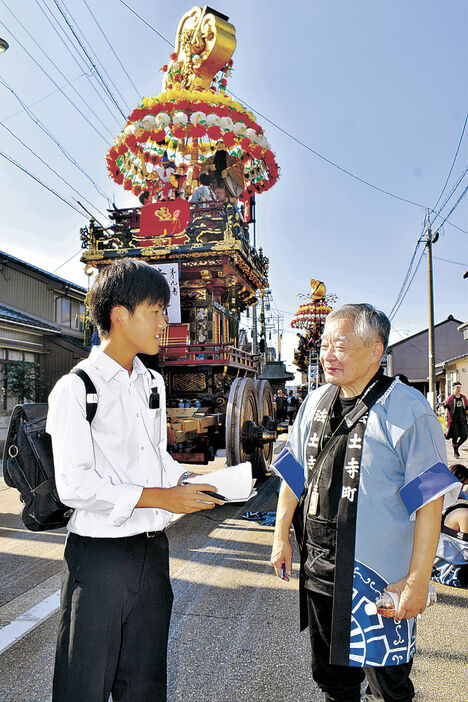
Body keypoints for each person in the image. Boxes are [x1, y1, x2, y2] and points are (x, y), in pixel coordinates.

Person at [47, 259, 223, 702]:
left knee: (144, 685)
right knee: (83, 685)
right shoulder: (75, 388)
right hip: (99, 557)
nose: (166, 322)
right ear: (119, 316)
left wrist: (186, 482)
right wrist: (163, 496)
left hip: (151, 551)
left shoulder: (152, 382)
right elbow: (74, 485)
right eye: (156, 311)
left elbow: (154, 456)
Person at [270, 303, 460, 702]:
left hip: (377, 579)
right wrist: (280, 536)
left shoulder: (408, 408)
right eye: (324, 344)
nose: (327, 354)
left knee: (388, 687)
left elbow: (430, 502)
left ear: (376, 351)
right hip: (321, 571)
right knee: (334, 684)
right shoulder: (315, 401)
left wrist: (417, 580)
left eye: (340, 344)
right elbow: (292, 474)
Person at [444, 381, 468, 458]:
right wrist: (446, 420)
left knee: (465, 435)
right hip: (454, 421)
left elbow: (466, 409)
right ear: (453, 389)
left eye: (459, 388)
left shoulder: (463, 398)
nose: (459, 389)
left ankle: (457, 447)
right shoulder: (451, 398)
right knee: (455, 436)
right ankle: (455, 452)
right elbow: (447, 409)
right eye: (457, 388)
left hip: (462, 420)